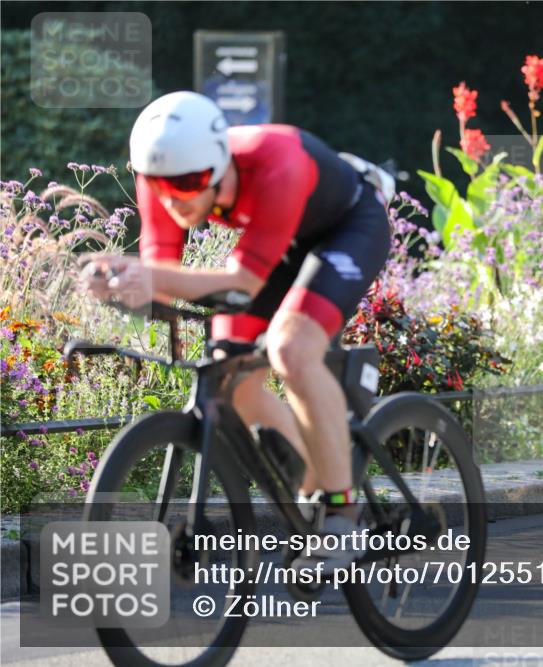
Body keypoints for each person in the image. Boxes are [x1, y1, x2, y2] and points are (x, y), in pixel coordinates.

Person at [81, 91, 392, 567]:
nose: (174, 198)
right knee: (230, 372)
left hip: (348, 228)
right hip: (277, 237)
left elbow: (243, 282)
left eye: (189, 182)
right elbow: (161, 272)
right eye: (160, 184)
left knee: (291, 349)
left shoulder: (277, 163)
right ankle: (311, 475)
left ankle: (341, 515)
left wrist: (149, 278)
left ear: (220, 163)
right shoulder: (161, 176)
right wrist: (120, 285)